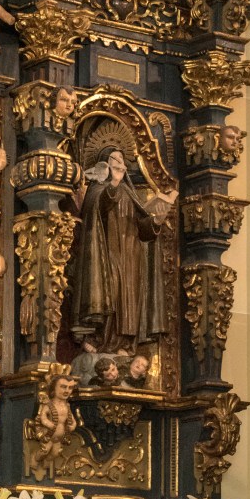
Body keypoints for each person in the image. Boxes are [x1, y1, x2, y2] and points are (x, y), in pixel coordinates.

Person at [70, 145, 172, 352]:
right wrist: (114, 182)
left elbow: (143, 228)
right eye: (114, 160)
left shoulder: (128, 191)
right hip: (106, 252)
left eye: (121, 160)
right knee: (110, 291)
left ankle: (124, 343)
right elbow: (98, 209)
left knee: (130, 296)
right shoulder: (98, 188)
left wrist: (156, 221)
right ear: (105, 164)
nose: (120, 164)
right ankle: (99, 339)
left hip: (131, 254)